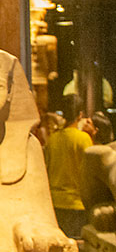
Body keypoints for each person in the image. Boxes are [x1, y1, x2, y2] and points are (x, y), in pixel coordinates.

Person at [43, 94, 93, 238]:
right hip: (76, 203)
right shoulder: (83, 138)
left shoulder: (53, 139)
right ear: (80, 115)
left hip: (55, 203)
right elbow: (89, 171)